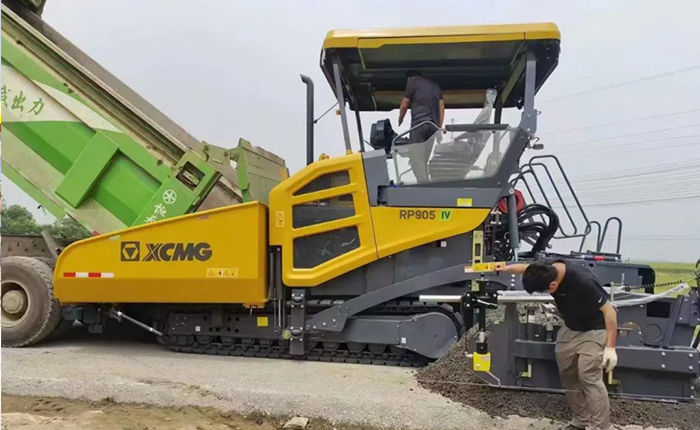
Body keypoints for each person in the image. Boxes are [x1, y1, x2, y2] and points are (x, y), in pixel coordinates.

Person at [499, 260, 618, 430]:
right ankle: (581, 421)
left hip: (594, 330)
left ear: (553, 286)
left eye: (543, 291)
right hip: (570, 328)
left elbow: (610, 312)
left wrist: (610, 348)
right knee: (568, 374)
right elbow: (527, 268)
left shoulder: (583, 281)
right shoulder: (547, 267)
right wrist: (506, 268)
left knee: (589, 377)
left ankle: (599, 427)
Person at [398, 70, 444, 183]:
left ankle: (422, 182)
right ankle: (426, 180)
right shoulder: (435, 86)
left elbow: (404, 105)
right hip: (433, 126)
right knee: (424, 158)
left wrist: (400, 118)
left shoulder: (412, 84)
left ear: (409, 79)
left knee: (416, 156)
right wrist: (438, 128)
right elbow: (441, 108)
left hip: (419, 124)